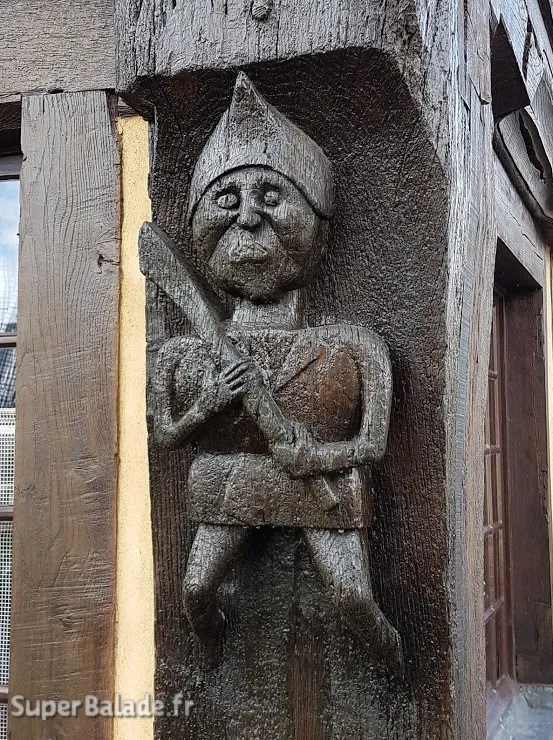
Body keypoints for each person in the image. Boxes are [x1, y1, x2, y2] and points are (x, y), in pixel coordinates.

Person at [154, 73, 402, 672]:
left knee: (353, 598)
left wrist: (315, 456)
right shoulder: (182, 355)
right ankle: (212, 659)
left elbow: (372, 445)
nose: (247, 219)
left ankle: (392, 662)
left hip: (321, 487)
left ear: (318, 224)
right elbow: (166, 436)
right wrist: (208, 402)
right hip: (229, 486)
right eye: (225, 200)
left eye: (270, 196)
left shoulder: (354, 347)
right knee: (195, 592)